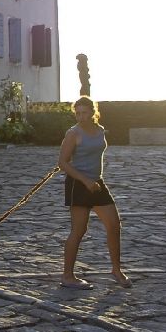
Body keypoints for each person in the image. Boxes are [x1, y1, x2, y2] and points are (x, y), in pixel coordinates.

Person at [59, 96, 131, 288]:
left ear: (93, 112)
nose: (81, 117)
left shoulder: (100, 131)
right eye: (77, 113)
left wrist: (93, 181)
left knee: (114, 225)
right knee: (79, 230)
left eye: (84, 113)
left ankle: (116, 270)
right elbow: (62, 163)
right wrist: (85, 180)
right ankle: (67, 276)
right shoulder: (73, 133)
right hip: (78, 184)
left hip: (97, 183)